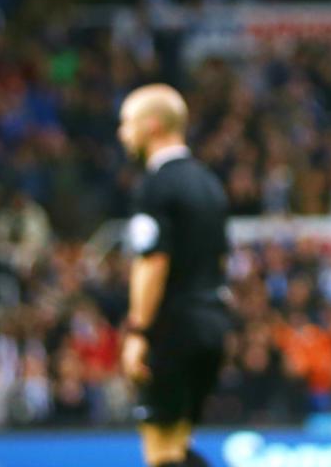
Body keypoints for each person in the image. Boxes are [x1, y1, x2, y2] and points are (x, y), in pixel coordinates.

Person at [118, 84, 231, 467]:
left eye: (127, 122)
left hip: (172, 327)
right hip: (211, 324)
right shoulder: (209, 183)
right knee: (181, 445)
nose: (123, 133)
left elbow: (152, 262)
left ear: (152, 125)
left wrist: (138, 332)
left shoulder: (156, 185)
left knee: (161, 452)